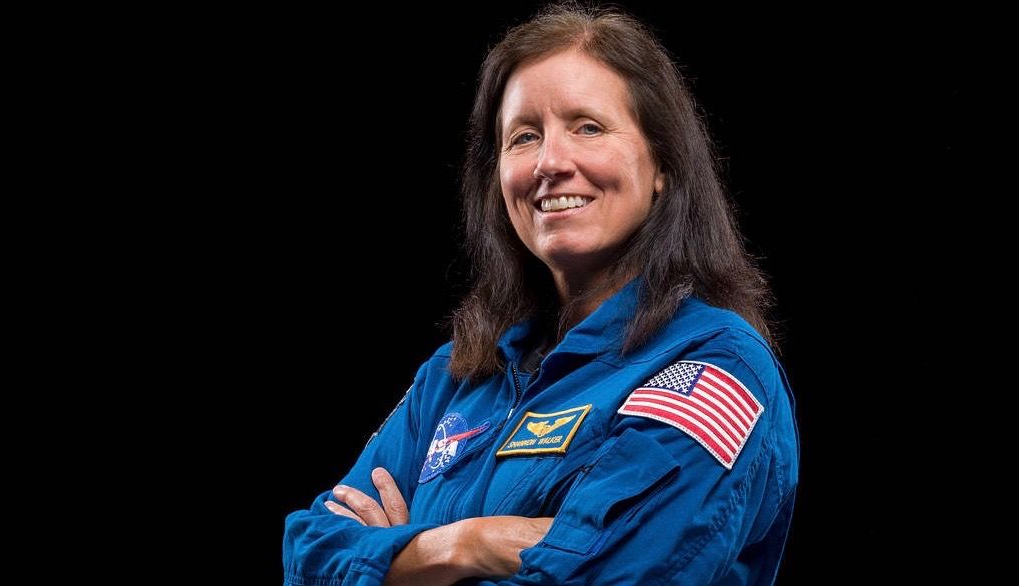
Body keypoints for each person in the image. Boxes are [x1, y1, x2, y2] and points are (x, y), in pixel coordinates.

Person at [284, 4, 799, 585]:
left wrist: (394, 559)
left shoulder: (713, 370)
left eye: (588, 127)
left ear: (663, 165)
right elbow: (307, 554)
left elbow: (608, 577)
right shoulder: (458, 375)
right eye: (525, 137)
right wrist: (466, 546)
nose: (551, 163)